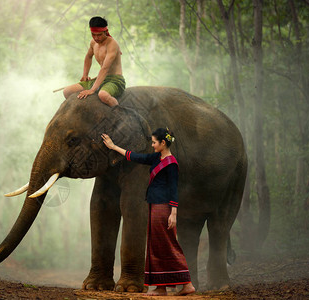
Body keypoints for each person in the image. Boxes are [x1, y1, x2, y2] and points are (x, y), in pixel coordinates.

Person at [101, 128, 196, 296]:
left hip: (163, 208)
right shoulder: (156, 158)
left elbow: (174, 189)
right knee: (156, 245)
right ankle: (160, 288)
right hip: (154, 206)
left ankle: (187, 284)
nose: (152, 145)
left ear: (163, 143)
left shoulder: (171, 163)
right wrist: (114, 146)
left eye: (154, 142)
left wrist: (173, 213)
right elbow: (135, 156)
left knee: (168, 245)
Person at [63, 16, 125, 107]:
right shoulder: (93, 43)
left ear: (105, 31)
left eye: (99, 35)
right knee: (67, 91)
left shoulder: (112, 44)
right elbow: (88, 57)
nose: (96, 38)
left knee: (103, 95)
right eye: (93, 34)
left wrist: (92, 90)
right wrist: (85, 75)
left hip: (114, 80)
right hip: (100, 78)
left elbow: (105, 68)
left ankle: (120, 114)